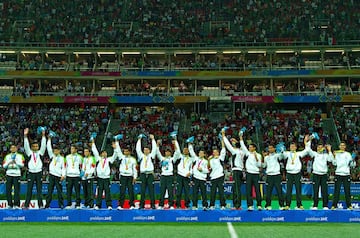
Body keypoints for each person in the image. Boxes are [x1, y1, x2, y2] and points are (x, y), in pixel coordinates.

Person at [306, 138, 334, 210]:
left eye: (321, 147)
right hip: (316, 174)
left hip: (324, 175)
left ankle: (325, 205)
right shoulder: (314, 154)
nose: (320, 148)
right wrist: (309, 141)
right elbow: (308, 150)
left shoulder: (326, 155)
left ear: (323, 148)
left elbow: (331, 159)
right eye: (318, 147)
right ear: (317, 148)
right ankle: (315, 205)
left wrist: (329, 150)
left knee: (324, 190)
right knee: (315, 190)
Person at [281, 136, 308, 210]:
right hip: (289, 173)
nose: (292, 147)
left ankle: (299, 205)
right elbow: (282, 155)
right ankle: (287, 205)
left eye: (293, 146)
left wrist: (306, 143)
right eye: (291, 146)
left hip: (297, 173)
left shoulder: (299, 154)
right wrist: (282, 150)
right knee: (288, 189)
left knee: (298, 189)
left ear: (296, 147)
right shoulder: (287, 153)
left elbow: (306, 151)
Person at [92, 138, 119, 210]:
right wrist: (93, 143)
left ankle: (109, 205)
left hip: (106, 178)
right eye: (103, 153)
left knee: (107, 192)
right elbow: (95, 152)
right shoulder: (98, 159)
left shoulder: (109, 159)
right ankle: (98, 205)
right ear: (101, 154)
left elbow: (115, 155)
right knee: (99, 192)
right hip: (100, 178)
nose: (105, 154)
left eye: (106, 153)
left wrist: (115, 148)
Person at [23, 127, 46, 209]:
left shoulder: (40, 153)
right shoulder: (29, 153)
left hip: (39, 173)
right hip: (31, 173)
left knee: (39, 190)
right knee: (29, 190)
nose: (36, 147)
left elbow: (43, 145)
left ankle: (40, 205)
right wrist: (25, 136)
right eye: (34, 146)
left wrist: (43, 136)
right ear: (32, 147)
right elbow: (26, 146)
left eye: (37, 146)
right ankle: (26, 205)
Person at [239, 132, 263, 211]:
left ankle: (259, 205)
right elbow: (243, 146)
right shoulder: (248, 153)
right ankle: (250, 205)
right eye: (249, 147)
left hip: (256, 174)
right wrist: (241, 138)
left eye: (251, 147)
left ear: (254, 148)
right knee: (248, 190)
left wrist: (256, 158)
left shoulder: (259, 155)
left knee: (257, 190)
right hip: (249, 174)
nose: (249, 148)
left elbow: (259, 165)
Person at [222, 130, 245, 210]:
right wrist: (237, 140)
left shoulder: (235, 151)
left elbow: (228, 145)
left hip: (236, 170)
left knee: (237, 189)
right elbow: (240, 145)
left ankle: (237, 205)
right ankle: (236, 205)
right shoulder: (242, 151)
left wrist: (223, 136)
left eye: (234, 144)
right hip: (240, 171)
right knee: (236, 188)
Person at [156, 137, 180, 210]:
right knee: (162, 191)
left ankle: (171, 205)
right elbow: (157, 153)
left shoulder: (172, 159)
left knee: (170, 191)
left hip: (170, 176)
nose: (167, 153)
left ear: (170, 153)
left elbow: (177, 152)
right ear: (165, 152)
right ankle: (161, 205)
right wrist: (157, 145)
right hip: (163, 176)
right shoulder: (162, 159)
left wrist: (175, 143)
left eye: (169, 152)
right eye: (166, 152)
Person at [331, 142, 355, 210]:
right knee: (336, 191)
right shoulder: (337, 154)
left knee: (347, 191)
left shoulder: (348, 154)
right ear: (339, 146)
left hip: (346, 174)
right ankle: (334, 206)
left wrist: (352, 160)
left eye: (343, 145)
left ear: (345, 147)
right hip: (338, 174)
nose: (342, 146)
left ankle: (349, 205)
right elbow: (334, 163)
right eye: (341, 145)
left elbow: (352, 165)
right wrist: (334, 156)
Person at [173, 136, 195, 209]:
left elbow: (192, 168)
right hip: (180, 176)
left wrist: (190, 173)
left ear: (188, 151)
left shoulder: (191, 159)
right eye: (184, 150)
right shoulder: (180, 157)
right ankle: (178, 205)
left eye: (186, 150)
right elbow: (177, 150)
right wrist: (175, 141)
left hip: (186, 176)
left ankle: (187, 205)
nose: (185, 151)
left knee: (187, 192)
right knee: (178, 191)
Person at [136, 134, 157, 209]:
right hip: (143, 175)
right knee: (142, 190)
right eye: (144, 150)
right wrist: (139, 140)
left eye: (147, 150)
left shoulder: (151, 156)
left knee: (151, 190)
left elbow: (155, 149)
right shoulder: (141, 156)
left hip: (150, 174)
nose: (145, 151)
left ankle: (153, 205)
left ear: (149, 151)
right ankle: (141, 205)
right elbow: (138, 149)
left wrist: (153, 140)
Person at [45, 135, 66, 209]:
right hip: (51, 176)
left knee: (59, 192)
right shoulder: (52, 156)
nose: (55, 151)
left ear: (59, 151)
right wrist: (49, 139)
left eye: (57, 150)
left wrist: (63, 175)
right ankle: (47, 205)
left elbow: (64, 167)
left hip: (58, 176)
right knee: (49, 191)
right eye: (54, 151)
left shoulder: (62, 158)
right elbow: (48, 147)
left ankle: (61, 205)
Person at [262, 144, 285, 210]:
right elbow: (264, 166)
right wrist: (263, 157)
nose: (270, 149)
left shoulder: (277, 155)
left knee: (279, 191)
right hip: (269, 176)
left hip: (277, 175)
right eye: (269, 148)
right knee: (268, 192)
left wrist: (282, 151)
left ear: (274, 149)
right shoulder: (266, 157)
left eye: (271, 148)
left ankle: (281, 205)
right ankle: (268, 205)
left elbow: (281, 156)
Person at [117, 140, 138, 210]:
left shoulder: (133, 159)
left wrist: (135, 177)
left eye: (126, 151)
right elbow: (118, 151)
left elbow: (135, 169)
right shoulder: (122, 157)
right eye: (124, 151)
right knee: (122, 191)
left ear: (129, 152)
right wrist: (117, 142)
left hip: (130, 176)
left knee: (130, 191)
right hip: (123, 176)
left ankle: (132, 205)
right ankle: (120, 205)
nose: (125, 152)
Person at [189, 139, 209, 210]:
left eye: (202, 153)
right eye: (199, 153)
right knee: (195, 193)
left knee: (204, 193)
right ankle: (194, 205)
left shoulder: (206, 162)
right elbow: (191, 152)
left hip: (203, 179)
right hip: (196, 178)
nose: (200, 154)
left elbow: (207, 171)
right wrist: (190, 144)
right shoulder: (196, 159)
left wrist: (202, 170)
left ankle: (205, 206)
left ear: (204, 154)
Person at [3, 144, 25, 209]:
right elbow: (4, 166)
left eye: (14, 148)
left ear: (16, 149)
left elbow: (22, 165)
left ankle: (16, 205)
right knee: (8, 190)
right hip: (9, 174)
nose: (13, 149)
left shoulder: (20, 156)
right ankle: (10, 204)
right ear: (10, 149)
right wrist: (9, 162)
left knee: (17, 190)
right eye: (12, 148)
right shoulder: (7, 156)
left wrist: (16, 162)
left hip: (17, 174)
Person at [208, 134, 226, 210]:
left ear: (218, 153)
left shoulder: (220, 158)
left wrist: (222, 140)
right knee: (213, 192)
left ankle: (223, 205)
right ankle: (212, 205)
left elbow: (223, 149)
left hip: (220, 176)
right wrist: (208, 160)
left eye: (216, 152)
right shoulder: (211, 160)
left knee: (221, 191)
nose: (215, 153)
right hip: (213, 177)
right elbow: (208, 168)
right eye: (214, 152)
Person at [64, 144, 83, 209]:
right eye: (71, 149)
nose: (71, 150)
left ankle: (78, 204)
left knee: (77, 191)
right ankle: (69, 204)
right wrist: (64, 175)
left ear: (76, 149)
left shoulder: (80, 157)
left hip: (77, 176)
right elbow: (65, 167)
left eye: (73, 149)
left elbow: (82, 167)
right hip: (69, 176)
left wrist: (81, 175)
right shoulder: (67, 157)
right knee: (69, 191)